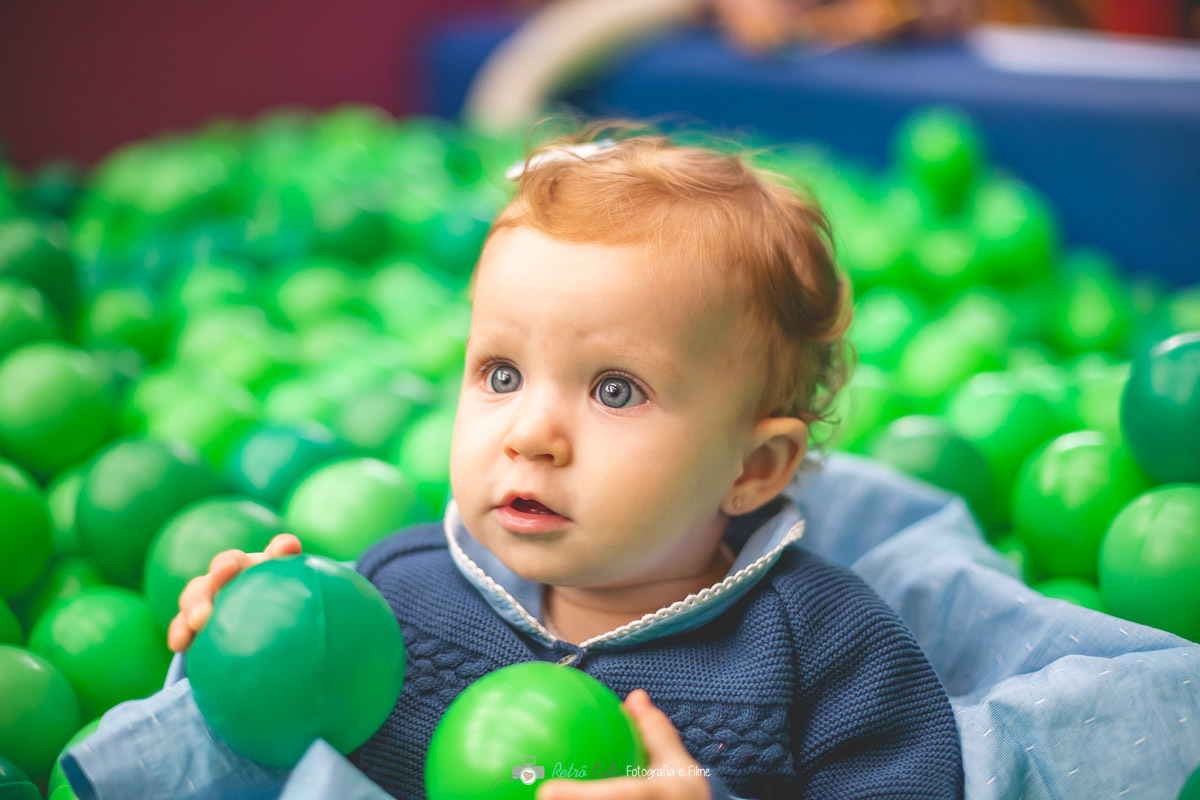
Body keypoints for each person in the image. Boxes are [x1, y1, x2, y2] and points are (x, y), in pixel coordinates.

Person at [66, 124, 964, 800]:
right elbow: (274, 750)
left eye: (615, 389)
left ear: (754, 468)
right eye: (501, 374)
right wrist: (247, 643)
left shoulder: (827, 652)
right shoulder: (394, 594)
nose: (530, 433)